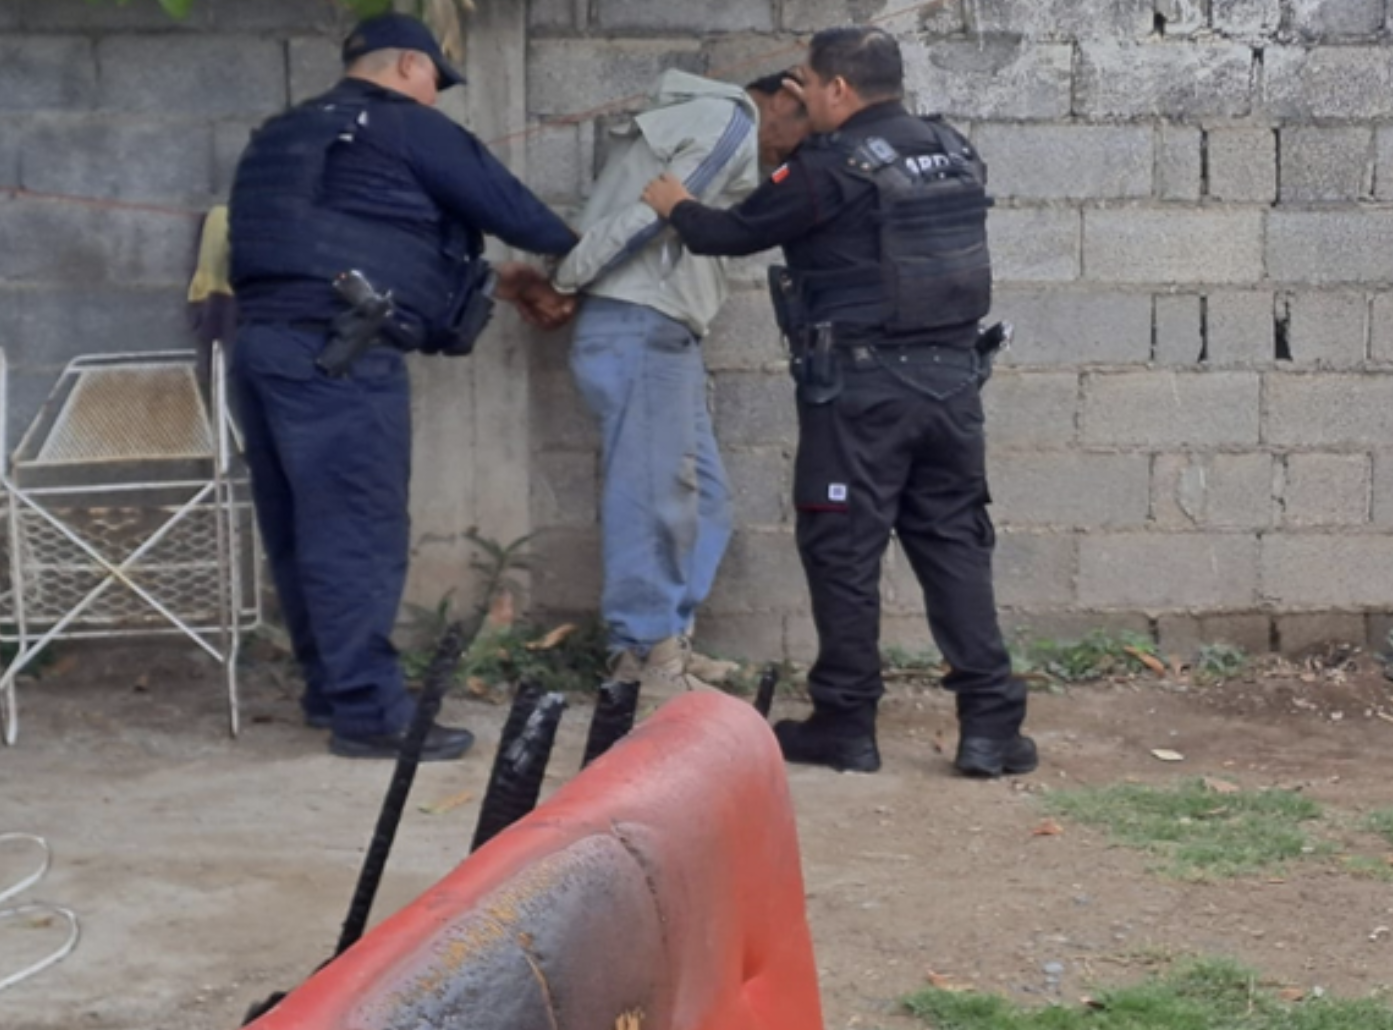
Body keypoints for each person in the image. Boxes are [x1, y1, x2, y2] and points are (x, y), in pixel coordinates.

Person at [639, 28, 1036, 779]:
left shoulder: (829, 168)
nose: (801, 95)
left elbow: (731, 233)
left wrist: (675, 205)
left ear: (839, 89)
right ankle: (991, 727)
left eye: (808, 83)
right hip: (953, 387)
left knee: (843, 550)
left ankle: (846, 724)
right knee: (953, 546)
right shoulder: (951, 149)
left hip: (860, 393)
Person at [227, 14, 577, 762]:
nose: (436, 98)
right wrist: (586, 256)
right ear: (412, 67)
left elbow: (354, 238)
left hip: (260, 348)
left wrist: (491, 281)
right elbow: (523, 217)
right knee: (357, 530)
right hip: (339, 355)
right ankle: (370, 716)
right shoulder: (405, 126)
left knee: (301, 531)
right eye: (435, 82)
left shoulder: (284, 134)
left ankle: (332, 693)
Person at [505, 72, 812, 702]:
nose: (789, 153)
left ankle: (666, 638)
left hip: (659, 329)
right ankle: (642, 656)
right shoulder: (732, 121)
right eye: (799, 134)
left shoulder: (691, 118)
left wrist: (572, 273)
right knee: (653, 498)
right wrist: (567, 279)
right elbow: (653, 215)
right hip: (640, 324)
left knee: (705, 502)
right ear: (785, 95)